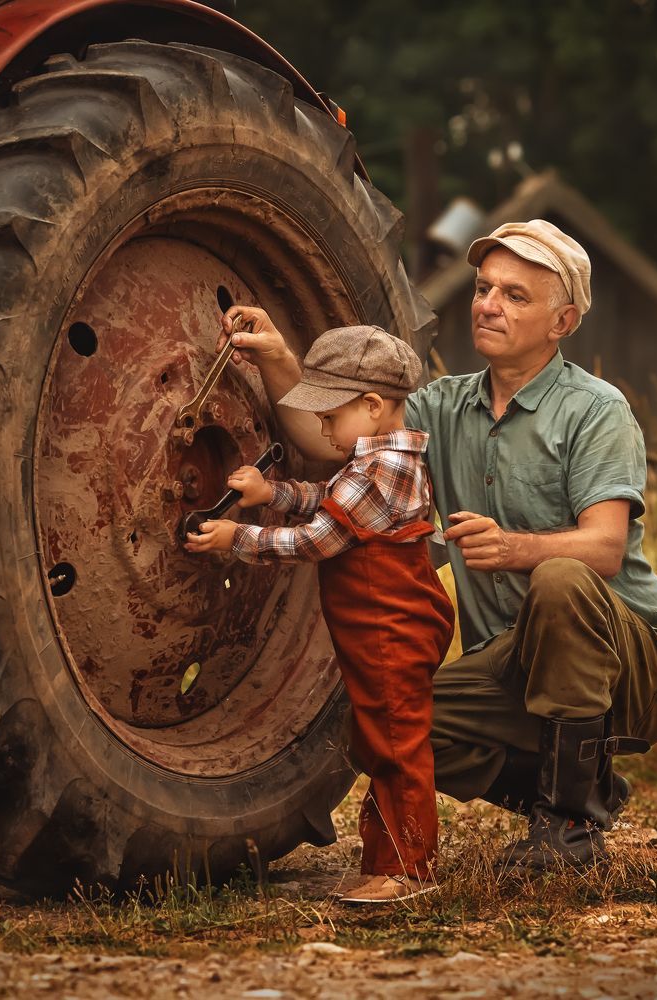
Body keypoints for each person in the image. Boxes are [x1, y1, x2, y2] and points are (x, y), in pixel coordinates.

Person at [215, 219, 657, 874]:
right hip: (515, 663)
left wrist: (513, 547)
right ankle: (583, 791)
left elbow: (605, 549)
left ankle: (570, 831)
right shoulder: (442, 408)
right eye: (484, 288)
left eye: (515, 295)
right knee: (385, 733)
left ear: (564, 321)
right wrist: (273, 356)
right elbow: (337, 435)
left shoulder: (595, 409)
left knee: (558, 577)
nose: (488, 304)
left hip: (635, 666)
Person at [185, 325, 455, 903]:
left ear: (374, 406)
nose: (323, 429)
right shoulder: (373, 459)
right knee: (378, 735)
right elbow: (325, 498)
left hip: (391, 627)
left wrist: (239, 536)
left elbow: (316, 540)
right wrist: (271, 493)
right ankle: (387, 861)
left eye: (330, 416)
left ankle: (409, 869)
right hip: (374, 629)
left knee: (395, 740)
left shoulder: (384, 468)